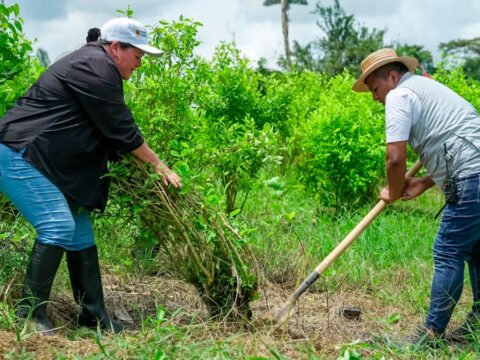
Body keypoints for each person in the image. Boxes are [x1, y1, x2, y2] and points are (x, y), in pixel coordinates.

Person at [0, 17, 181, 335]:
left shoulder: (97, 64)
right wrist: (159, 165)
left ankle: (93, 317)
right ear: (115, 48)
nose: (140, 64)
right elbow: (120, 126)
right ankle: (28, 316)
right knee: (57, 224)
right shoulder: (95, 65)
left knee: (80, 231)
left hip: (41, 159)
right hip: (19, 152)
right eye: (137, 55)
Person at [353, 48, 480, 347]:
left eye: (375, 88)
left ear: (393, 77)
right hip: (472, 172)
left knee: (449, 251)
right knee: (475, 248)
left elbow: (394, 159)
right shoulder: (425, 87)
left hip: (470, 176)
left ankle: (430, 335)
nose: (374, 97)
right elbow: (454, 138)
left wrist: (394, 191)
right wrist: (424, 182)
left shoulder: (400, 95)